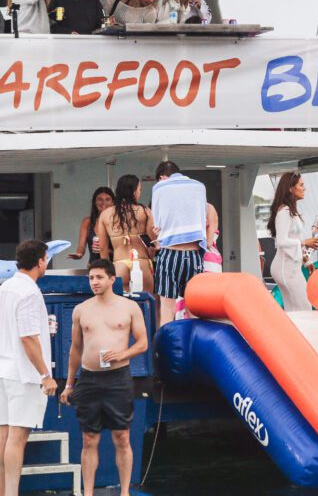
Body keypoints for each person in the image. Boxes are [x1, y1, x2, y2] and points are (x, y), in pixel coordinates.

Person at [60, 259, 147, 496]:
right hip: (89, 379)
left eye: (99, 277)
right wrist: (69, 384)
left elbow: (143, 343)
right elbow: (75, 349)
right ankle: (87, 492)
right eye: (91, 278)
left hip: (118, 378)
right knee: (89, 438)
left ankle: (125, 491)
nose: (94, 282)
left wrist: (122, 353)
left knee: (122, 436)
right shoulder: (81, 309)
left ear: (112, 279)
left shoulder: (129, 307)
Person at [0, 240, 57, 496]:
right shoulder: (30, 292)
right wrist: (46, 375)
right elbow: (28, 338)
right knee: (17, 438)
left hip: (3, 369)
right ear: (41, 261)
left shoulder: (5, 287)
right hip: (23, 375)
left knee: (3, 436)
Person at [151, 161, 207, 325]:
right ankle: (196, 347)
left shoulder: (160, 188)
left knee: (167, 309)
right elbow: (201, 217)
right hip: (194, 253)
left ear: (162, 177)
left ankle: (166, 349)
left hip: (170, 253)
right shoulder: (199, 186)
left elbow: (158, 222)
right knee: (195, 308)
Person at [268, 172, 318, 311]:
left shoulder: (290, 211)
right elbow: (281, 241)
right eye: (301, 185)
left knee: (295, 308)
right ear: (291, 188)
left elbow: (292, 240)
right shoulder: (284, 211)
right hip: (285, 268)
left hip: (291, 266)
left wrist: (306, 260)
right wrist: (305, 242)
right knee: (304, 307)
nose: (305, 188)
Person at [97, 175, 156, 294]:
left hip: (119, 264)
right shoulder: (144, 211)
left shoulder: (105, 214)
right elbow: (153, 240)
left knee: (120, 305)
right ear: (134, 192)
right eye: (139, 190)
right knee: (146, 303)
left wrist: (106, 270)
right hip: (141, 262)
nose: (139, 192)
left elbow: (102, 248)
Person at [68, 186, 116, 264]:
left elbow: (125, 251)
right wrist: (79, 254)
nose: (103, 203)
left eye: (107, 199)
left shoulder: (118, 222)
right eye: (100, 199)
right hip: (94, 267)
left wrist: (107, 250)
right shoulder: (87, 222)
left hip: (115, 267)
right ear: (95, 202)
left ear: (113, 202)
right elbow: (81, 246)